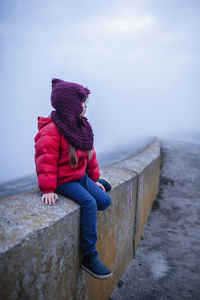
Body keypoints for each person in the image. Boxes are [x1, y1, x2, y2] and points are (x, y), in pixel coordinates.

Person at [34, 78, 112, 280]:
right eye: (81, 102)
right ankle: (89, 256)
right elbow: (45, 161)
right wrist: (48, 189)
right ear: (70, 105)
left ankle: (99, 184)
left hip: (79, 176)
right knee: (89, 203)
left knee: (104, 201)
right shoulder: (51, 130)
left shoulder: (82, 126)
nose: (85, 106)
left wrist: (94, 179)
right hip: (63, 180)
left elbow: (90, 156)